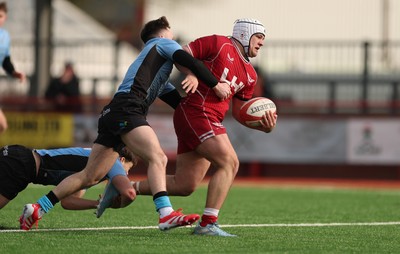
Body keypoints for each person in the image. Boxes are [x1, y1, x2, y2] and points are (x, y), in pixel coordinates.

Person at [20, 16, 231, 231]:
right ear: (162, 33)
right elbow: (188, 59)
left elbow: (181, 105)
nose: (174, 38)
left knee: (89, 176)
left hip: (113, 111)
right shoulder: (162, 43)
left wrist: (205, 115)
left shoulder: (155, 70)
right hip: (128, 108)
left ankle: (38, 207)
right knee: (157, 157)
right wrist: (215, 85)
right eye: (171, 33)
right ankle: (165, 213)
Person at [132, 18, 277, 236]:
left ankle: (126, 187)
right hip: (196, 111)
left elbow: (239, 112)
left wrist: (264, 126)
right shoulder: (219, 43)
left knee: (185, 185)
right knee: (230, 162)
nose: (262, 43)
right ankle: (208, 224)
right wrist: (190, 74)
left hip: (209, 119)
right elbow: (181, 53)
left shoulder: (251, 74)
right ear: (246, 34)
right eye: (259, 37)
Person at [0, 145, 136, 218]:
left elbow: (67, 201)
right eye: (127, 169)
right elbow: (128, 192)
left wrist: (98, 204)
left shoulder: (93, 172)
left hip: (20, 159)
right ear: (122, 160)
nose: (126, 174)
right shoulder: (113, 160)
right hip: (22, 166)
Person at [0, 2, 25, 135]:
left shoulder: (4, 37)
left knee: (2, 125)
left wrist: (15, 73)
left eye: (0, 16)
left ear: (5, 17)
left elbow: (5, 60)